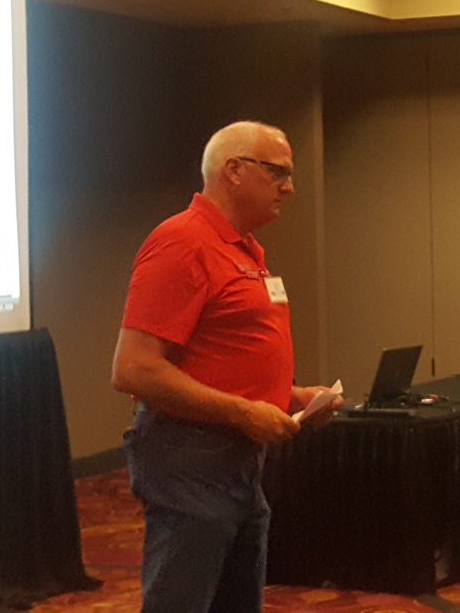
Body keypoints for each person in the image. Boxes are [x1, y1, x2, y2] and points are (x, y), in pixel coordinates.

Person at [111, 120, 342, 613]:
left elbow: (224, 358)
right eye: (278, 172)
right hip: (190, 463)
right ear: (234, 170)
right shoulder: (182, 241)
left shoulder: (244, 248)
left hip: (238, 466)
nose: (288, 187)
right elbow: (133, 369)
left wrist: (293, 397)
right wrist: (243, 412)